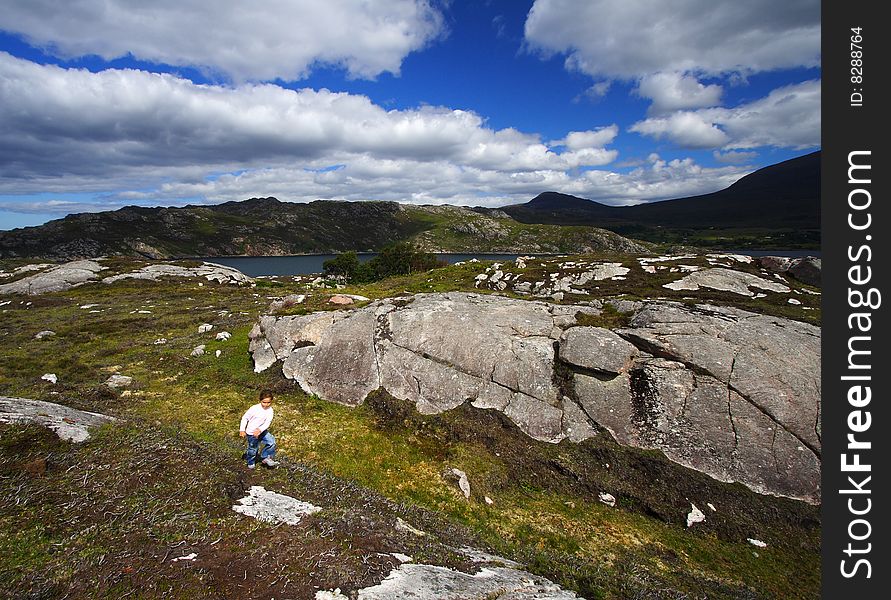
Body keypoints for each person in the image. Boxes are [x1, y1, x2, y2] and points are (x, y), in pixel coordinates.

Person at [239, 390, 280, 469]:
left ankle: (266, 457)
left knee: (271, 442)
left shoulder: (270, 410)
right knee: (253, 449)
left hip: (262, 431)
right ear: (260, 400)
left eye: (268, 402)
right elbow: (245, 418)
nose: (266, 405)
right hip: (252, 433)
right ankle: (250, 461)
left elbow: (268, 422)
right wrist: (242, 430)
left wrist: (260, 430)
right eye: (264, 402)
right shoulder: (254, 408)